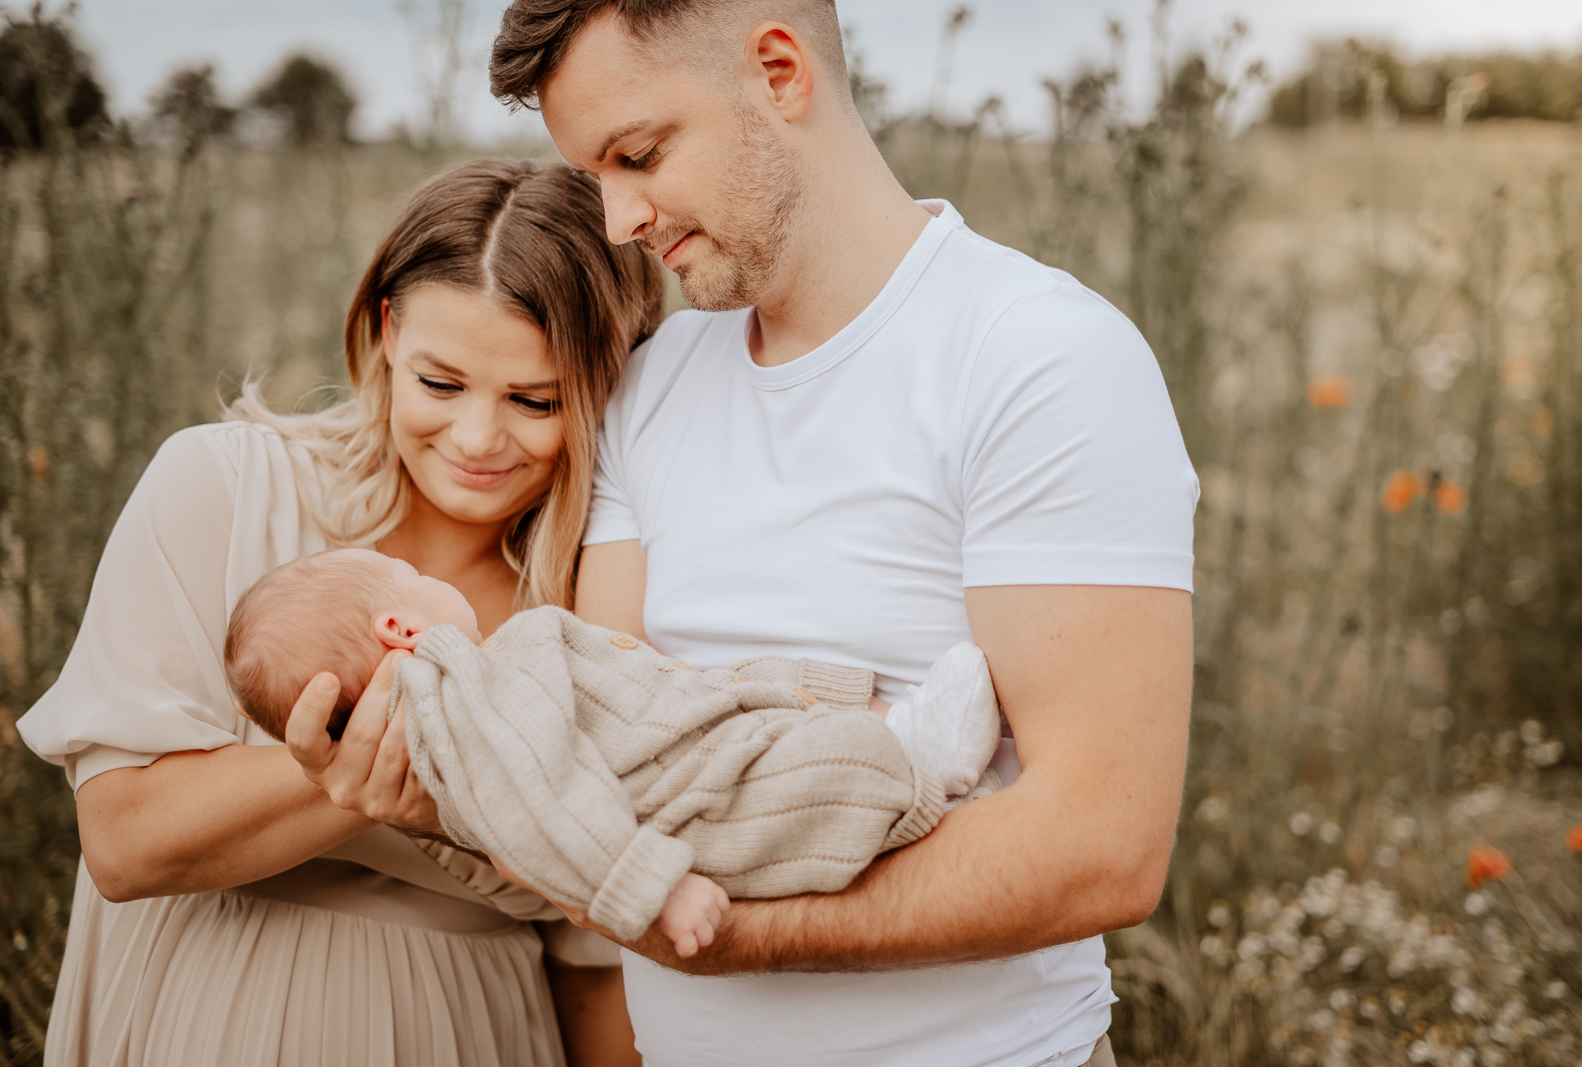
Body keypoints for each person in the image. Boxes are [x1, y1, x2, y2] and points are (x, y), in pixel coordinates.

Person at [456, 2, 1197, 1066]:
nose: (617, 219)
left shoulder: (1041, 360)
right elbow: (610, 740)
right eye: (593, 177)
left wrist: (724, 935)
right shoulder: (649, 386)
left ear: (777, 71)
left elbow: (1097, 846)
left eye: (638, 154)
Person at [16, 159, 662, 1067]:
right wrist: (359, 771)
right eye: (441, 383)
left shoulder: (601, 608)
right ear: (389, 331)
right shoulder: (224, 488)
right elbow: (125, 839)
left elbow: (597, 955)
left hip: (468, 1033)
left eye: (535, 399)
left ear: (615, 381)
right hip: (190, 1018)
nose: (478, 439)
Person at [223, 547, 1001, 957]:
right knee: (816, 777)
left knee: (764, 706)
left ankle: (897, 725)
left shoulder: (469, 706)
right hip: (681, 793)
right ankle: (921, 766)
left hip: (680, 737)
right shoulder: (467, 697)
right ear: (399, 628)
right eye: (412, 576)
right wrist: (653, 889)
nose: (431, 577)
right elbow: (544, 801)